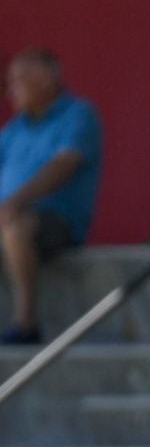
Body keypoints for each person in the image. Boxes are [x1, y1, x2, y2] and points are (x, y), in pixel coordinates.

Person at [0, 49, 103, 345]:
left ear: (46, 78)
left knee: (16, 224)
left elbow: (62, 167)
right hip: (9, 216)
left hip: (57, 221)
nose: (11, 90)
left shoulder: (78, 115)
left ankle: (26, 321)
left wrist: (14, 202)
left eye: (19, 80)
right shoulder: (15, 129)